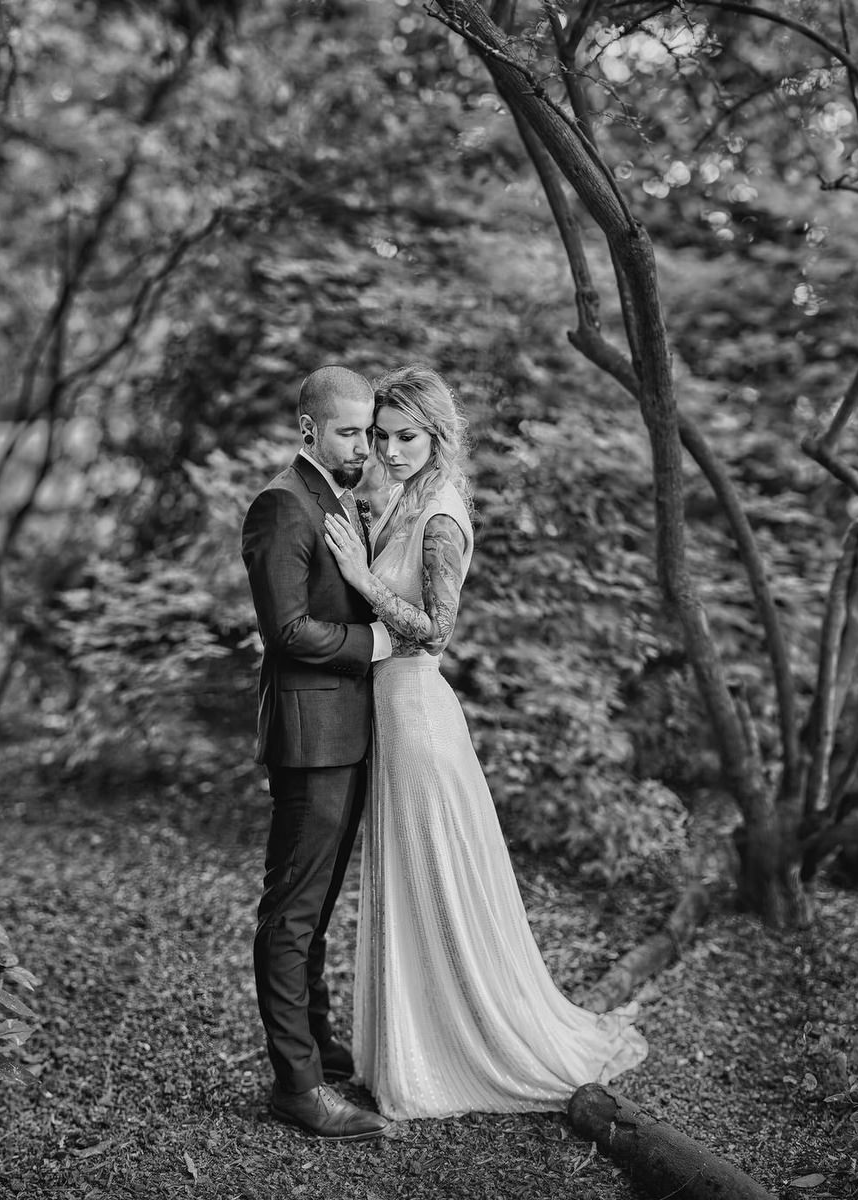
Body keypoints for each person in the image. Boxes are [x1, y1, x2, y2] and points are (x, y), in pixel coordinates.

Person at [321, 365, 647, 1120]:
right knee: (408, 881)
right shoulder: (403, 499)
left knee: (436, 881)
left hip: (418, 715)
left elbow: (437, 630)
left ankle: (460, 1047)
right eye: (381, 436)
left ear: (437, 437)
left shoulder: (441, 517)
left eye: (406, 437)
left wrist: (360, 579)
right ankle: (415, 1043)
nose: (390, 450)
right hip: (390, 714)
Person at [240, 365, 393, 1141]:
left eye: (368, 431)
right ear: (308, 429)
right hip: (310, 740)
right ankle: (296, 1086)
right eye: (349, 431)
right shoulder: (282, 504)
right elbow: (288, 631)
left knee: (320, 905)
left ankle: (319, 1045)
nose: (364, 445)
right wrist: (377, 641)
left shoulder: (335, 496)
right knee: (292, 911)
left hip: (346, 733)